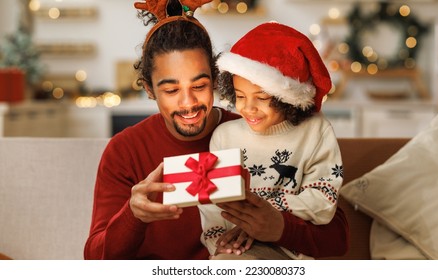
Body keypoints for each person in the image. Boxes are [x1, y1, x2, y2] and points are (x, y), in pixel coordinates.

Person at [84, 0, 349, 260]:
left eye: (199, 86)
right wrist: (134, 216)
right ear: (149, 89)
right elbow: (95, 259)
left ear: (215, 80)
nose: (188, 103)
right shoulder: (125, 151)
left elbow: (338, 238)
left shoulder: (254, 130)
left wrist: (280, 229)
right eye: (171, 90)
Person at [198, 22, 344, 260]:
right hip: (233, 251)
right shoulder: (224, 136)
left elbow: (323, 200)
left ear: (286, 97)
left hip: (292, 251)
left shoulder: (316, 131)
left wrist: (265, 218)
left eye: (262, 97)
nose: (248, 108)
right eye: (241, 96)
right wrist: (220, 243)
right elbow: (212, 205)